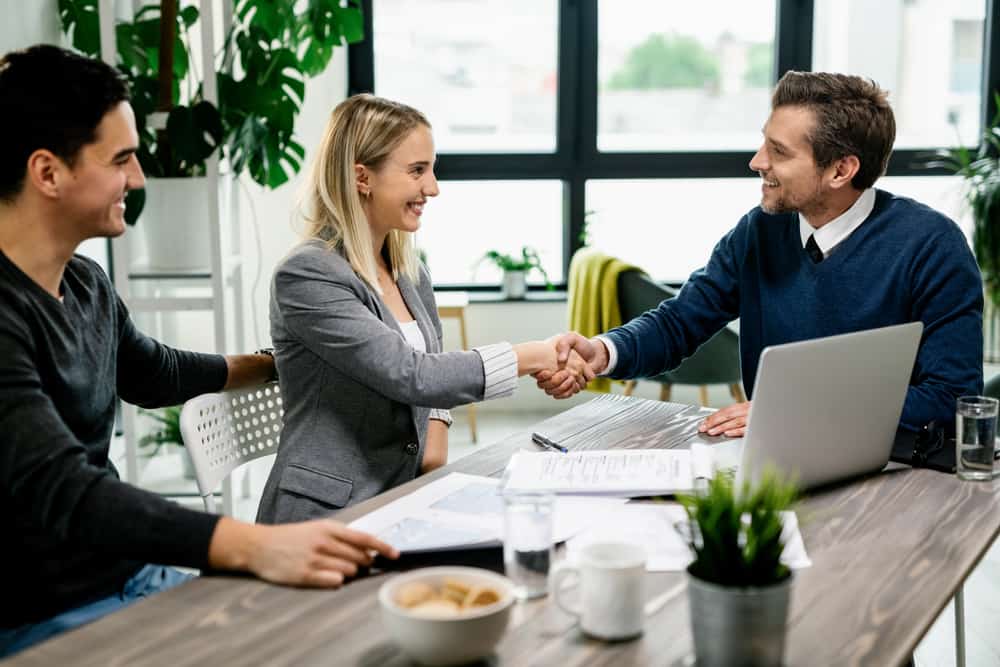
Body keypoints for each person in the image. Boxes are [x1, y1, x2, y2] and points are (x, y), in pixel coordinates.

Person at [0, 45, 399, 658]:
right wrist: (255, 544)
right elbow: (64, 489)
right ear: (48, 172)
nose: (138, 180)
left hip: (130, 576)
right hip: (42, 614)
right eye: (122, 159)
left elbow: (156, 373)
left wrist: (275, 362)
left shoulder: (85, 285)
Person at [538, 71, 983, 435]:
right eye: (763, 142)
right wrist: (604, 349)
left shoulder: (932, 246)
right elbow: (680, 321)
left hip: (894, 469)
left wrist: (795, 414)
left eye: (779, 151)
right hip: (774, 456)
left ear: (841, 170)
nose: (757, 161)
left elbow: (951, 399)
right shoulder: (759, 230)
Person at [256, 94, 592, 524]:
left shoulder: (410, 272)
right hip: (325, 515)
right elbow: (412, 374)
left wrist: (434, 463)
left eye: (431, 170)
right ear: (362, 177)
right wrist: (534, 356)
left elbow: (433, 378)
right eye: (417, 171)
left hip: (405, 497)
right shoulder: (307, 275)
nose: (432, 188)